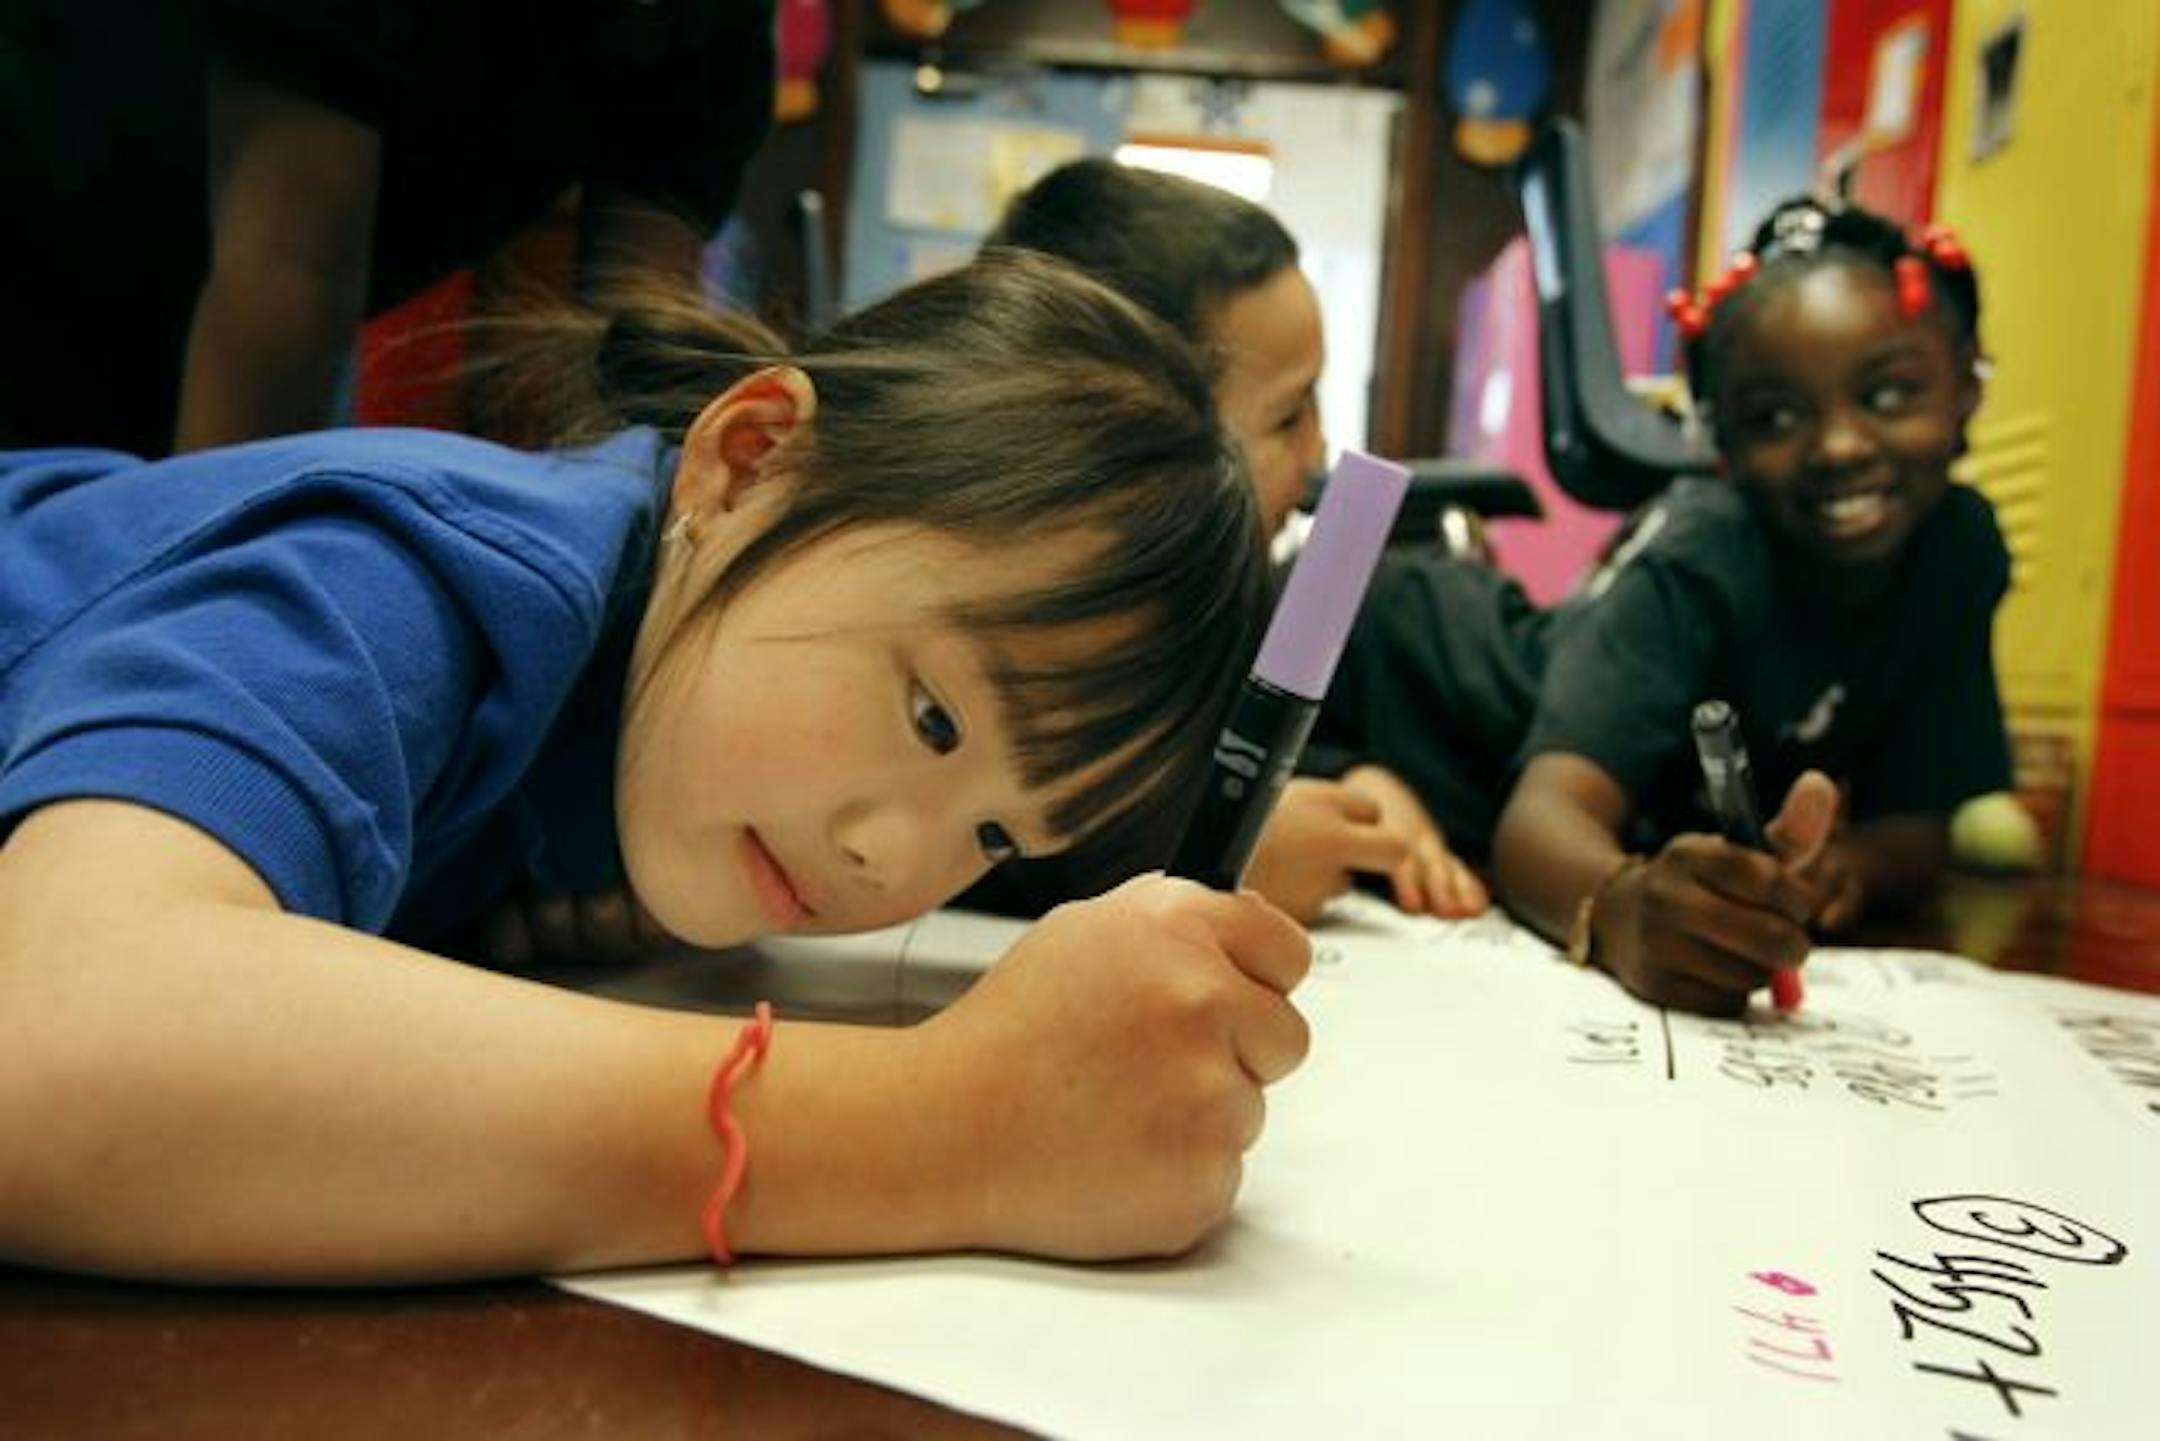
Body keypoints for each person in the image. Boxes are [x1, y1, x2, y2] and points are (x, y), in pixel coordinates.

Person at [0, 250, 1313, 1284]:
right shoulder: (406, 573)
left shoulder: (632, 746)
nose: (895, 862)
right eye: (930, 719)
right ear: (750, 462)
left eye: (992, 839)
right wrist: (959, 1120)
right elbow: (52, 1042)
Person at [1318, 195, 2009, 1016]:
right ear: (1720, 442)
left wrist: (1838, 870)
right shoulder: (1703, 546)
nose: (1841, 444)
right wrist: (1622, 908)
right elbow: (1540, 820)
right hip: (1374, 670)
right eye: (1778, 416)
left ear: (1966, 390)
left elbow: (1914, 830)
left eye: (1889, 395)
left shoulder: (1957, 550)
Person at [983, 156, 1490, 924]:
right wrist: (1198, 855)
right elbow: (943, 837)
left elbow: (1193, 755)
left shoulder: (1209, 604)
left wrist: (1345, 781)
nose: (1320, 455)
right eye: (1289, 417)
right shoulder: (991, 613)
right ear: (1117, 436)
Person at [0, 0, 775, 458]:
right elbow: (295, 266)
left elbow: (637, 352)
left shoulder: (711, 27)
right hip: (45, 230)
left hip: (167, 328)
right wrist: (206, 614)